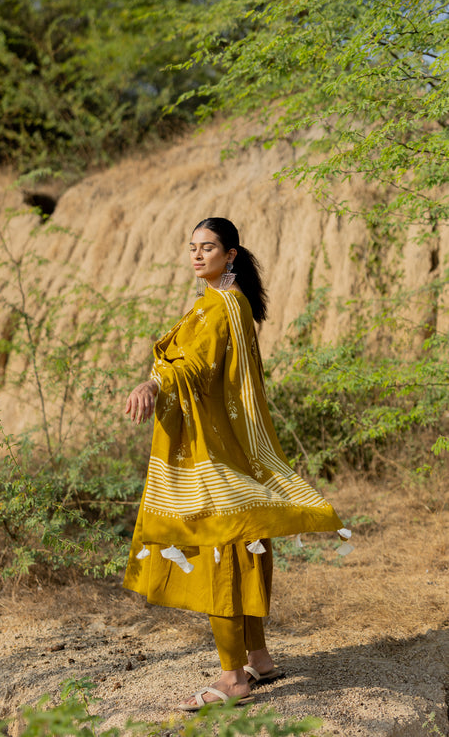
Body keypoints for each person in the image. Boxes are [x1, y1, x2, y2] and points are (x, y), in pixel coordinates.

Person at [123, 217, 349, 711]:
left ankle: (233, 679)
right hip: (234, 450)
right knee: (245, 550)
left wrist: (152, 385)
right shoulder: (229, 302)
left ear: (231, 255)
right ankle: (260, 660)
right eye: (192, 247)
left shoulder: (221, 306)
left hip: (216, 455)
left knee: (218, 558)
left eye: (208, 248)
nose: (197, 255)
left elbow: (196, 368)